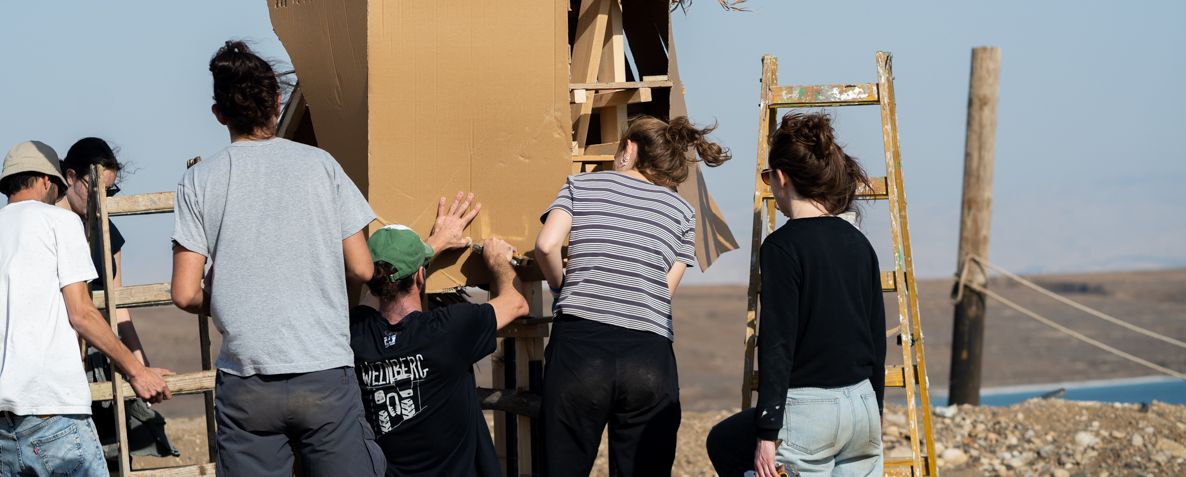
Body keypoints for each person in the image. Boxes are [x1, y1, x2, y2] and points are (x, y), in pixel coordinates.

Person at [169, 40, 385, 477]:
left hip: (246, 384)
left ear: (219, 113)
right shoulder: (321, 166)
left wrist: (234, 292)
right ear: (278, 103)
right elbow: (363, 268)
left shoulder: (198, 181)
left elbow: (185, 293)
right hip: (325, 374)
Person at [533, 116, 731, 477]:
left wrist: (563, 289)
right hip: (649, 358)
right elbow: (662, 292)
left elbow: (546, 246)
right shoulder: (682, 212)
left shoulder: (580, 186)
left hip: (580, 348)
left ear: (629, 149)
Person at [0, 140, 171, 477]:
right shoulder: (59, 224)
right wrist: (137, 370)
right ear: (49, 180)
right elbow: (82, 313)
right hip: (52, 404)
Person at [704, 112, 885, 477]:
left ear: (782, 177)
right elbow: (876, 338)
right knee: (724, 438)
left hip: (810, 410)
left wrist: (767, 432)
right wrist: (875, 409)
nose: (770, 186)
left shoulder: (781, 247)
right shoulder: (860, 243)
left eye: (768, 177)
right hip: (863, 407)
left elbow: (777, 343)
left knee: (724, 444)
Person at [349, 193, 530, 477]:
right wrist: (498, 262)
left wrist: (432, 246)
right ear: (421, 276)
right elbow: (517, 302)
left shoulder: (355, 335)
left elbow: (373, 296)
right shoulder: (448, 330)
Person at [59, 137, 177, 460]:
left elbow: (120, 308)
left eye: (108, 192)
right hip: (65, 361)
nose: (101, 200)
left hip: (107, 356)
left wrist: (140, 364)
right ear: (70, 177)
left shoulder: (109, 234)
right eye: (94, 188)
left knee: (112, 456)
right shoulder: (49, 229)